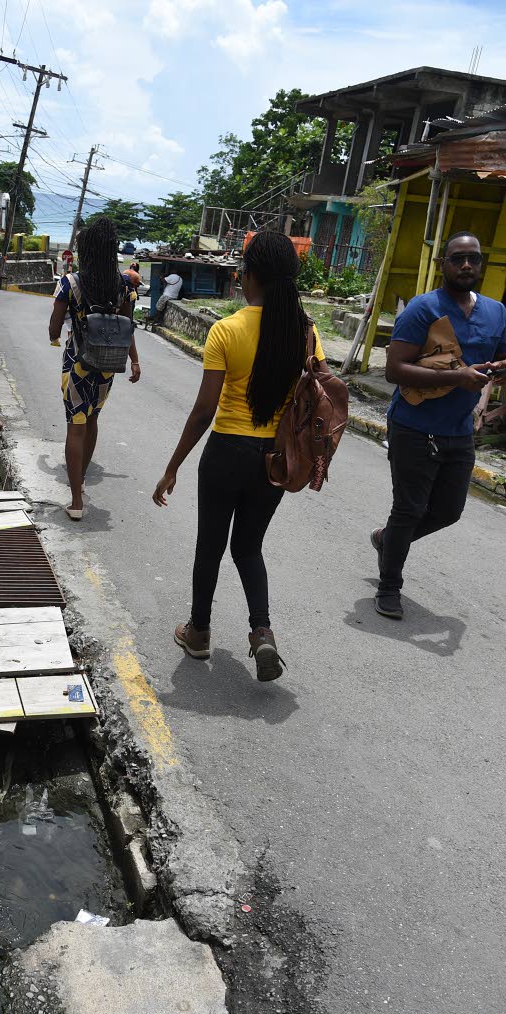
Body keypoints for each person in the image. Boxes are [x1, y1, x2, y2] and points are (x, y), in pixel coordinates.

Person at [152, 231, 326, 681]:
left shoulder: (226, 330)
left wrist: (172, 466)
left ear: (248, 276)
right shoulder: (308, 333)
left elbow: (204, 411)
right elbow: (318, 394)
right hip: (276, 458)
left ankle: (199, 633)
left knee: (209, 546)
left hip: (227, 452)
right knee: (249, 548)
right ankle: (262, 632)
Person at [371, 231, 506, 618]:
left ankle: (387, 540)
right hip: (414, 425)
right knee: (409, 509)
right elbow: (396, 370)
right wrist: (456, 377)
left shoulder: (497, 311)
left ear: (482, 264)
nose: (467, 265)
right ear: (442, 265)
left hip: (460, 429)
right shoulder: (422, 308)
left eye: (474, 259)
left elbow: (500, 357)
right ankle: (389, 587)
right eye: (458, 258)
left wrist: (493, 373)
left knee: (448, 511)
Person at [49, 216, 141, 520]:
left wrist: (54, 336)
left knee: (75, 425)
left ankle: (76, 500)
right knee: (92, 421)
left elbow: (54, 324)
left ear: (85, 251)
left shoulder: (71, 282)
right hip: (107, 367)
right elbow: (127, 328)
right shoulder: (124, 285)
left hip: (77, 363)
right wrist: (135, 361)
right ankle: (83, 479)